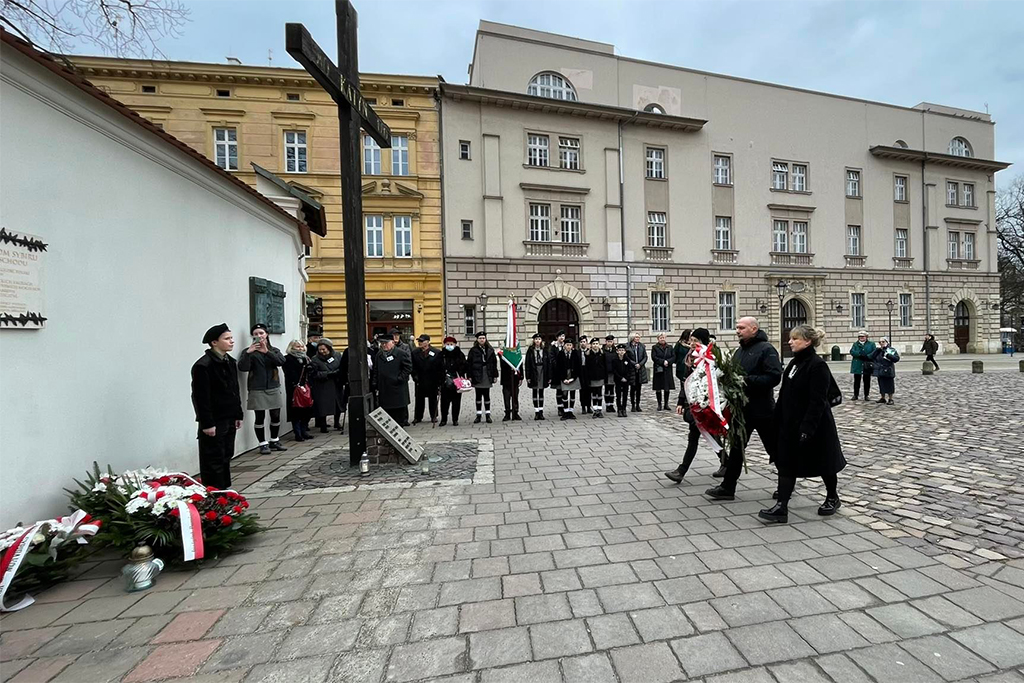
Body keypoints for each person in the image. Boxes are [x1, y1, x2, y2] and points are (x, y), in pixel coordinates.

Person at [759, 325, 846, 523]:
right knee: (786, 463)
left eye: (795, 339)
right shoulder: (793, 364)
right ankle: (781, 507)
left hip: (815, 425)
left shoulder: (817, 365)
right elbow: (785, 394)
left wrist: (807, 428)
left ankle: (832, 496)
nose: (790, 342)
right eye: (790, 338)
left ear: (807, 341)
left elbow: (818, 401)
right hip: (789, 424)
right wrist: (777, 418)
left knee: (825, 463)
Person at [706, 316, 783, 500]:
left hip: (762, 410)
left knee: (774, 449)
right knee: (737, 449)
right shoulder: (740, 350)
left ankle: (785, 485)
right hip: (742, 411)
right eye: (737, 327)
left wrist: (747, 381)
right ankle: (728, 488)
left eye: (741, 327)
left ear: (754, 329)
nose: (737, 330)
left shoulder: (767, 349)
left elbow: (774, 377)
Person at [666, 328, 726, 483]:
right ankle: (726, 463)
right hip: (694, 403)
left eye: (695, 340)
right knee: (702, 435)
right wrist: (680, 401)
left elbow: (715, 381)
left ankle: (681, 471)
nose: (691, 343)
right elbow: (687, 381)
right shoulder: (691, 357)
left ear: (702, 341)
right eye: (691, 340)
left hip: (706, 404)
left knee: (698, 436)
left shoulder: (710, 357)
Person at [191, 323, 243, 490]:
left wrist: (238, 414)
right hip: (214, 420)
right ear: (214, 342)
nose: (232, 341)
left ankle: (225, 490)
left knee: (226, 455)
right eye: (227, 339)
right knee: (213, 459)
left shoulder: (230, 362)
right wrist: (207, 423)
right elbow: (201, 397)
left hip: (229, 417)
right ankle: (214, 492)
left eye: (231, 338)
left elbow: (235, 390)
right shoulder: (203, 366)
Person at [237, 323, 288, 455]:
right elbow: (243, 367)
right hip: (256, 388)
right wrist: (249, 353)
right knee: (260, 417)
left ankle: (274, 440)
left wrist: (267, 352)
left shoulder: (274, 350)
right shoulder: (248, 352)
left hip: (273, 386)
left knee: (275, 415)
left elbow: (281, 362)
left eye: (261, 333)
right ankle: (262, 443)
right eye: (255, 334)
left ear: (266, 335)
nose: (259, 336)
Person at [373, 334, 413, 425]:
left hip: (397, 388)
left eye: (386, 343)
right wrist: (375, 382)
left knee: (398, 413)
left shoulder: (401, 353)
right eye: (382, 343)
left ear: (393, 343)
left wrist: (399, 378)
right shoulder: (379, 355)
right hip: (384, 388)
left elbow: (408, 368)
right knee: (387, 412)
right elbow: (376, 369)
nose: (384, 345)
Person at [310, 338, 343, 433]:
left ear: (329, 348)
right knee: (322, 406)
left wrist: (339, 374)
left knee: (338, 404)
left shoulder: (337, 355)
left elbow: (341, 367)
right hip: (323, 385)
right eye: (320, 350)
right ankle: (323, 425)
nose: (322, 351)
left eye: (324, 349)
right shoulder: (315, 359)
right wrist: (328, 374)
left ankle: (337, 423)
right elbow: (314, 374)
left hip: (336, 384)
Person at [283, 340, 313, 442]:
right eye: (297, 347)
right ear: (292, 348)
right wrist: (297, 384)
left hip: (306, 388)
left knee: (306, 410)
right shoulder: (288, 359)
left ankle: (304, 430)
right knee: (296, 411)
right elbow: (290, 373)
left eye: (301, 346)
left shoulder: (306, 358)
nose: (300, 349)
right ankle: (297, 433)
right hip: (294, 388)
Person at [411, 334, 442, 425]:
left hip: (432, 379)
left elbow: (440, 367)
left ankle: (434, 416)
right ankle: (418, 417)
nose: (420, 343)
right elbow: (413, 367)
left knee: (433, 399)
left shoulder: (436, 352)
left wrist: (439, 380)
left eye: (422, 341)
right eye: (419, 341)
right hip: (420, 379)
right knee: (419, 399)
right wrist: (414, 376)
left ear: (428, 342)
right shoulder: (415, 352)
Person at [467, 331, 498, 423]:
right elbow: (469, 363)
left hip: (487, 373)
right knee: (478, 396)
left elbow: (494, 363)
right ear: (477, 339)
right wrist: (469, 375)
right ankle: (478, 415)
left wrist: (495, 375)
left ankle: (488, 414)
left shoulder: (490, 349)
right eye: (480, 338)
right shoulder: (473, 350)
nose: (482, 340)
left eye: (483, 338)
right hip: (477, 374)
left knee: (487, 395)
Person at [439, 336, 466, 426]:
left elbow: (464, 366)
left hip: (456, 381)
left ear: (455, 345)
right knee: (444, 403)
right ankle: (444, 419)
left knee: (456, 402)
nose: (449, 346)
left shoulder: (459, 354)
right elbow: (436, 367)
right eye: (448, 344)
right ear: (444, 345)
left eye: (451, 344)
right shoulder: (441, 354)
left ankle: (455, 419)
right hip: (444, 381)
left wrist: (462, 375)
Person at [554, 337, 582, 420]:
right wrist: (563, 379)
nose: (568, 347)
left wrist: (573, 378)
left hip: (573, 375)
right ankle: (565, 411)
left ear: (572, 346)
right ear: (564, 346)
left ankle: (571, 411)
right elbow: (558, 367)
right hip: (564, 376)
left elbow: (578, 366)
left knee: (572, 394)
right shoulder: (560, 354)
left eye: (570, 345)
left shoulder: (575, 353)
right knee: (565, 394)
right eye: (567, 345)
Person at [525, 333, 549, 420]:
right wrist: (527, 377)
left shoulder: (545, 350)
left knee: (541, 391)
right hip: (533, 371)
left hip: (542, 370)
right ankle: (536, 411)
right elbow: (527, 364)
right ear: (533, 341)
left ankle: (541, 412)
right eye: (536, 339)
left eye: (539, 339)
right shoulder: (530, 350)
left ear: (541, 341)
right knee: (535, 391)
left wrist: (549, 376)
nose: (537, 341)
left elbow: (548, 363)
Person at [871, 338, 900, 405]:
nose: (881, 343)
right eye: (880, 342)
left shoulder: (891, 349)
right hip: (880, 369)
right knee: (881, 384)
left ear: (886, 342)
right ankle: (882, 398)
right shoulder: (879, 350)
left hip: (888, 369)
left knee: (889, 385)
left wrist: (888, 355)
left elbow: (896, 359)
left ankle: (890, 398)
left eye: (883, 342)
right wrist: (876, 351)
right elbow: (871, 357)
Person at [849, 331, 876, 400]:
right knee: (857, 381)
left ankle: (866, 395)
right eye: (860, 337)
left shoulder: (871, 344)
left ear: (866, 337)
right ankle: (855, 395)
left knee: (867, 381)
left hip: (867, 364)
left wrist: (867, 356)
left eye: (863, 337)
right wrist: (859, 354)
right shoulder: (855, 344)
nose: (861, 338)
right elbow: (852, 351)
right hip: (858, 364)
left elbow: (874, 352)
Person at [651, 332, 675, 411]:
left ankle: (666, 404)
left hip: (667, 369)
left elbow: (673, 356)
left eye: (663, 337)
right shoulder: (655, 347)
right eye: (660, 338)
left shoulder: (670, 347)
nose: (662, 339)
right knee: (658, 387)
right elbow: (654, 357)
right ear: (658, 339)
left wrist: (668, 361)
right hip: (659, 369)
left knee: (667, 387)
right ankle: (659, 404)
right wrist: (662, 362)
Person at [499, 348, 524, 421]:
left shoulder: (517, 354)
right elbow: (502, 366)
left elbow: (520, 365)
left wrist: (521, 377)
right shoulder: (503, 355)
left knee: (515, 396)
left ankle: (515, 412)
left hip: (515, 379)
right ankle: (507, 413)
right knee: (506, 397)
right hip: (506, 379)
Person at [585, 338, 606, 418]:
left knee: (599, 393)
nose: (595, 345)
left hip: (600, 376)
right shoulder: (588, 354)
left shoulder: (602, 353)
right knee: (594, 394)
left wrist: (604, 376)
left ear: (599, 345)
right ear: (591, 345)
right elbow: (587, 367)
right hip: (592, 377)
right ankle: (595, 410)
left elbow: (604, 365)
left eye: (597, 344)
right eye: (593, 344)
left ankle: (600, 410)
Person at [626, 332, 648, 412]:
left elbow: (645, 357)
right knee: (633, 388)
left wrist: (640, 364)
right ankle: (633, 405)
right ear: (632, 338)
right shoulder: (628, 346)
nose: (638, 339)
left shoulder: (641, 346)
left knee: (639, 388)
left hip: (640, 369)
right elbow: (627, 357)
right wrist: (634, 364)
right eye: (636, 337)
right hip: (632, 369)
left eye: (639, 337)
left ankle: (638, 404)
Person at [612, 344, 635, 417]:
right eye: (620, 350)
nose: (621, 352)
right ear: (617, 351)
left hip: (626, 380)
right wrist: (620, 378)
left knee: (625, 395)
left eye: (622, 350)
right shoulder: (614, 360)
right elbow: (614, 370)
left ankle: (624, 409)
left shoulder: (627, 360)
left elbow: (630, 370)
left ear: (625, 351)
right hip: (618, 380)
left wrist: (626, 377)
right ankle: (619, 409)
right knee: (618, 395)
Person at [549, 331, 567, 417]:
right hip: (557, 372)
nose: (561, 338)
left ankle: (565, 407)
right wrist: (557, 365)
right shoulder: (553, 347)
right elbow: (551, 358)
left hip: (566, 372)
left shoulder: (567, 345)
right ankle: (560, 408)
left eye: (563, 336)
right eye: (560, 336)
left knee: (565, 391)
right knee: (559, 390)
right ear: (557, 338)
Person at [603, 335, 618, 414]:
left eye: (611, 342)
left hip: (613, 372)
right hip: (606, 372)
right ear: (606, 342)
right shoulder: (603, 351)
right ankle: (607, 405)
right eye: (608, 341)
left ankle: (611, 405)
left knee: (612, 389)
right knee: (607, 389)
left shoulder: (615, 350)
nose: (609, 343)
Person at [578, 335, 593, 414]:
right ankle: (583, 406)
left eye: (584, 342)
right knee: (582, 390)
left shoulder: (589, 351)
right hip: (581, 372)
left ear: (586, 342)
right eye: (581, 342)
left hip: (588, 372)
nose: (583, 343)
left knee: (589, 390)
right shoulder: (577, 352)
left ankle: (588, 406)